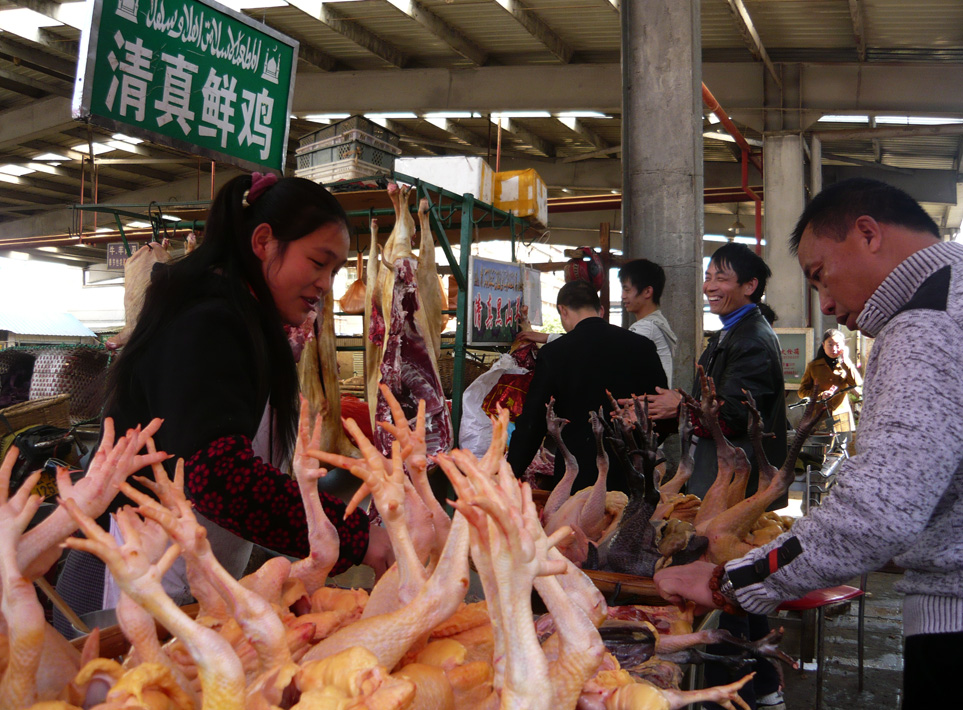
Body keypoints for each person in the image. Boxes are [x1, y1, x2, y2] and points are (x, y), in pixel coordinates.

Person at [654, 177, 963, 709]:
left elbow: (879, 511)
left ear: (867, 233)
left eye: (820, 277)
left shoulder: (925, 322)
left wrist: (735, 580)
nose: (827, 305)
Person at [54, 173, 391, 635]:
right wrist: (351, 535)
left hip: (190, 572)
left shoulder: (245, 321)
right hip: (135, 574)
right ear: (263, 241)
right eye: (318, 262)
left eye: (335, 271)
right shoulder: (206, 322)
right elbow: (217, 477)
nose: (326, 285)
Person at [642, 242, 787, 710]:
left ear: (750, 286)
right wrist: (668, 408)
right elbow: (713, 402)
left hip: (736, 483)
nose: (709, 286)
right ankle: (760, 686)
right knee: (739, 585)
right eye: (709, 276)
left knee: (731, 586)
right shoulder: (730, 333)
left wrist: (681, 405)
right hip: (722, 477)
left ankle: (745, 689)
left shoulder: (752, 339)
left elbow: (733, 415)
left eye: (722, 278)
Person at [507, 280, 667, 494]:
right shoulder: (643, 347)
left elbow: (532, 424)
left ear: (563, 310)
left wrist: (510, 474)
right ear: (600, 310)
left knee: (576, 528)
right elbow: (662, 412)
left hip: (578, 479)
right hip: (634, 476)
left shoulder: (555, 354)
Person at [618, 258, 678, 387]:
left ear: (647, 292)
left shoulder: (645, 327)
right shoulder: (658, 321)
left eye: (627, 290)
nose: (623, 296)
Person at [797, 328, 862, 441]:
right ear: (823, 345)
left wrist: (846, 360)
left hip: (841, 418)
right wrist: (820, 395)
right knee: (820, 453)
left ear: (843, 346)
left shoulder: (845, 366)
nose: (834, 349)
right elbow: (802, 392)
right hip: (819, 418)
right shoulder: (813, 366)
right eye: (830, 345)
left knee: (842, 452)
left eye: (837, 345)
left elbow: (856, 383)